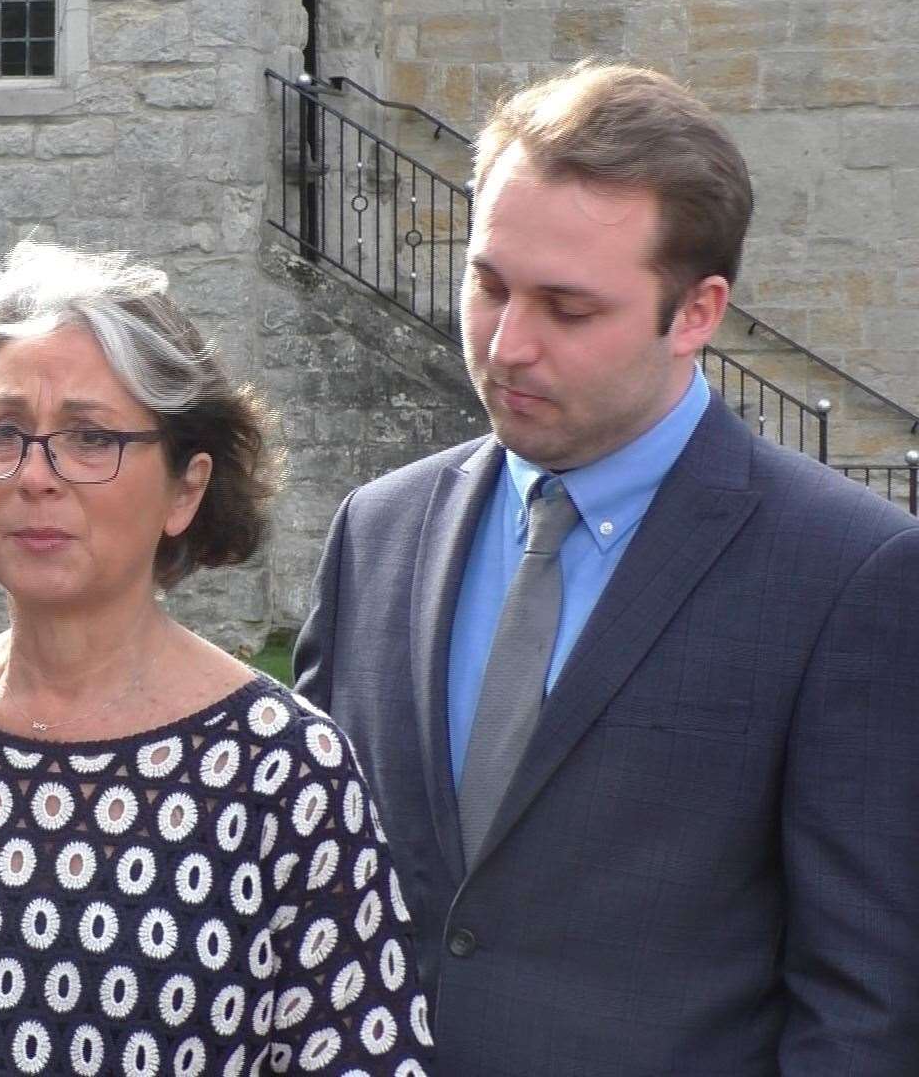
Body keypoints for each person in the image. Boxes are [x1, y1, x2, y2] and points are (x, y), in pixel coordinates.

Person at [292, 62, 919, 1073]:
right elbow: (296, 866)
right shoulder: (379, 530)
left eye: (568, 309)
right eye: (488, 283)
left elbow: (864, 1011)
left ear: (699, 314)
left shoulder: (851, 577)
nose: (507, 345)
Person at [0, 242, 434, 1076]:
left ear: (186, 487)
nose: (37, 475)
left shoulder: (285, 771)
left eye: (89, 437)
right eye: (4, 433)